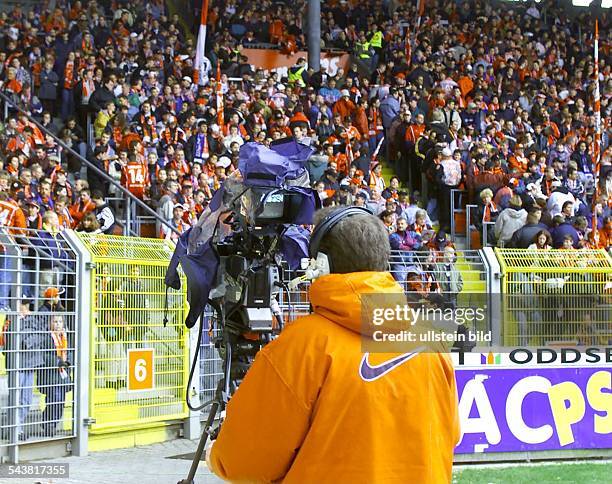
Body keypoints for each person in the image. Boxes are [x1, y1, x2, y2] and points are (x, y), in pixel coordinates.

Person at [207, 206, 459, 482]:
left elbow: (244, 463)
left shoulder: (302, 345)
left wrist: (215, 456)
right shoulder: (431, 341)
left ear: (323, 264)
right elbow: (451, 435)